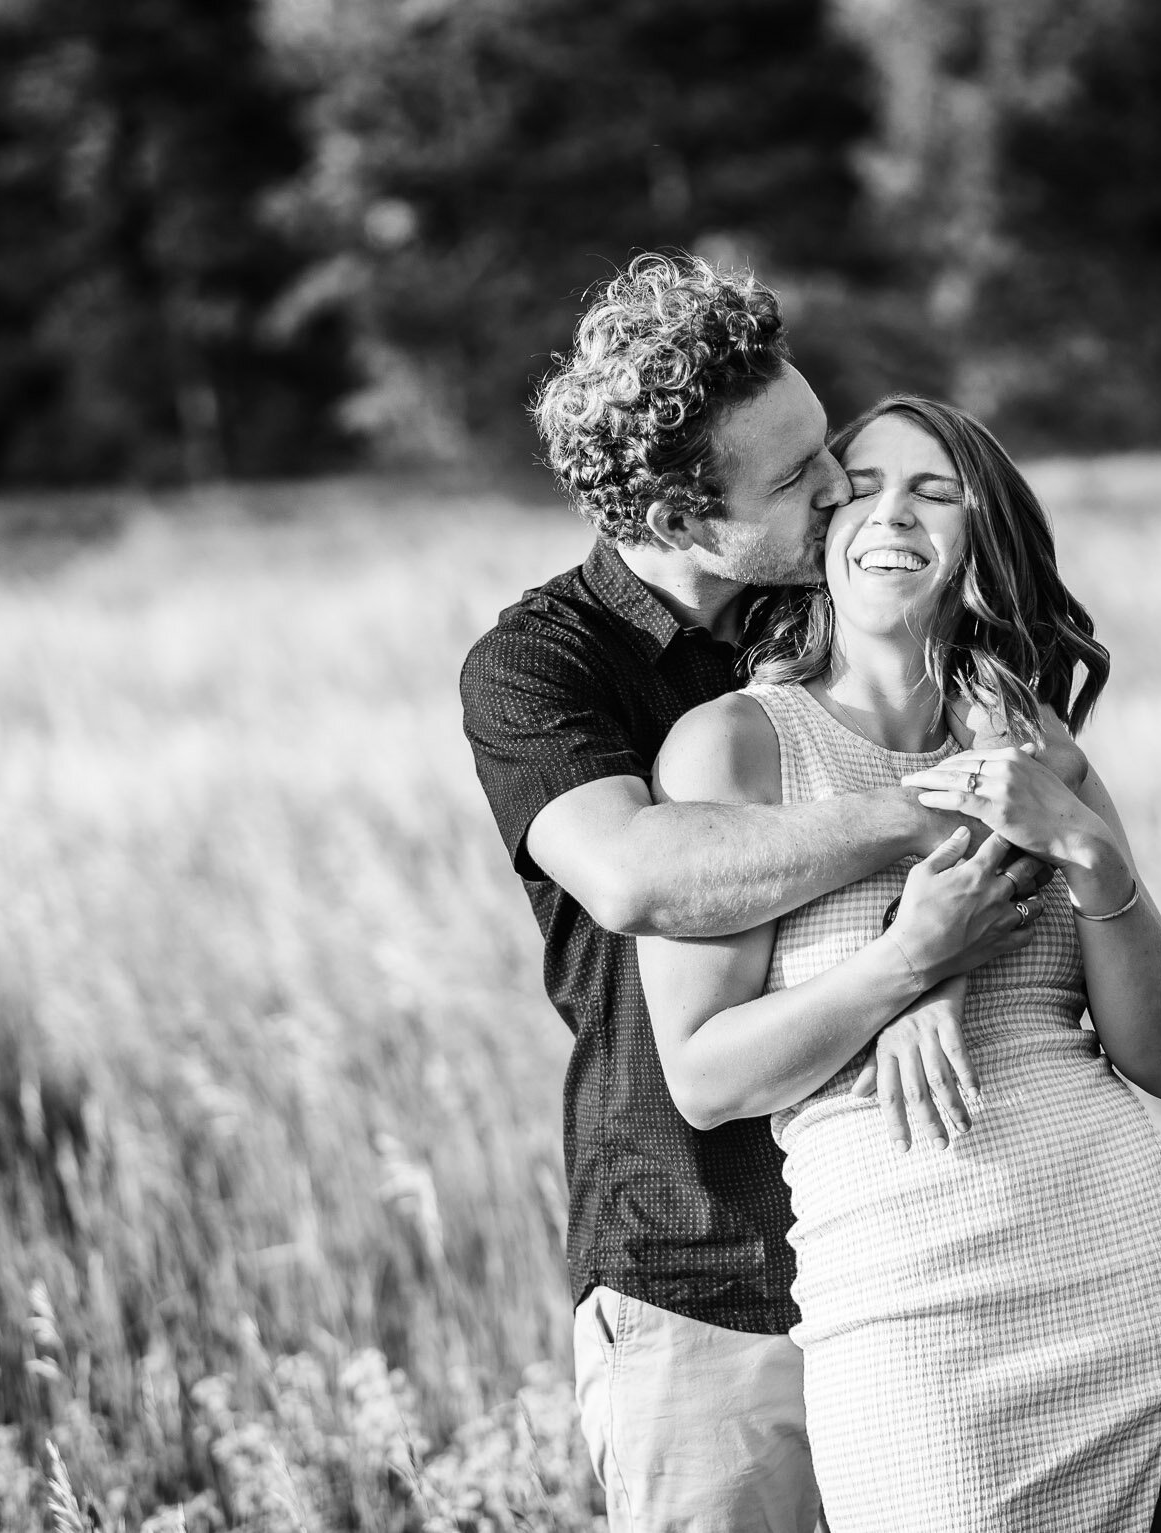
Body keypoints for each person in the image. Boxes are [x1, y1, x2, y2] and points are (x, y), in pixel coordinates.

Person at [460, 256, 1047, 1530]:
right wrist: (927, 810)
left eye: (822, 445)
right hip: (705, 1284)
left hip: (922, 1259)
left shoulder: (834, 610)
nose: (841, 488)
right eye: (794, 480)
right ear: (676, 517)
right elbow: (635, 874)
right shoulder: (541, 666)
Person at [636, 394, 1161, 1531]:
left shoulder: (1040, 754)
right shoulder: (736, 747)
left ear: (982, 538)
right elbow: (707, 1077)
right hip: (912, 1324)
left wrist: (1090, 852)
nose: (887, 512)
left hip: (1125, 1283)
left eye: (933, 490)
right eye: (859, 485)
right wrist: (907, 964)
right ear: (818, 530)